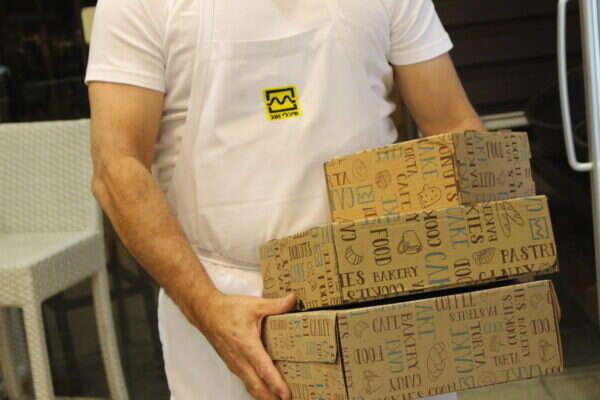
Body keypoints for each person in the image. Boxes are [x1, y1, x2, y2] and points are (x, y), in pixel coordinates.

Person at [86, 0, 486, 399]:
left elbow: (452, 124)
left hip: (383, 285)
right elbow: (117, 169)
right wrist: (207, 307)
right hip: (231, 307)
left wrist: (491, 250)